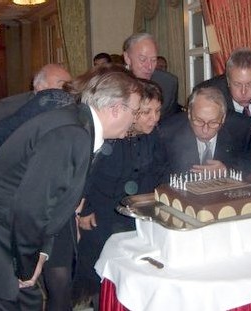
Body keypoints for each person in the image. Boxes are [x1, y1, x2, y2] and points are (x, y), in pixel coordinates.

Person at [0, 70, 143, 310]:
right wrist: (27, 266)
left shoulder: (81, 126)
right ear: (115, 108)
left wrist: (42, 253)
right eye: (134, 112)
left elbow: (54, 205)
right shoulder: (72, 134)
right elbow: (32, 208)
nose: (135, 120)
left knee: (27, 303)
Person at [72, 79, 164, 309]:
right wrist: (86, 209)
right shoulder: (111, 134)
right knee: (94, 271)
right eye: (146, 112)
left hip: (135, 215)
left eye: (157, 111)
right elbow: (87, 174)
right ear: (132, 113)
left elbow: (159, 170)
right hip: (101, 212)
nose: (154, 118)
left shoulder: (152, 135)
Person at [195, 48, 251, 181]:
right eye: (237, 84)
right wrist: (228, 169)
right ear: (228, 81)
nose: (244, 92)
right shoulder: (211, 104)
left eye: (250, 84)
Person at [159, 86, 251, 178]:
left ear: (223, 118)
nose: (205, 130)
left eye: (213, 123)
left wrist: (227, 170)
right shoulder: (168, 131)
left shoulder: (241, 127)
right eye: (199, 121)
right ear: (189, 114)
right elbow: (159, 172)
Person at [0, 63, 72, 146]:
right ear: (40, 86)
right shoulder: (5, 108)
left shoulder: (69, 112)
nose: (67, 92)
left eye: (69, 87)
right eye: (61, 86)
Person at [123, 32, 181, 121]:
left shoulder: (168, 83)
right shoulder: (111, 83)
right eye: (143, 59)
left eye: (153, 60)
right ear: (127, 58)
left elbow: (169, 124)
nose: (149, 67)